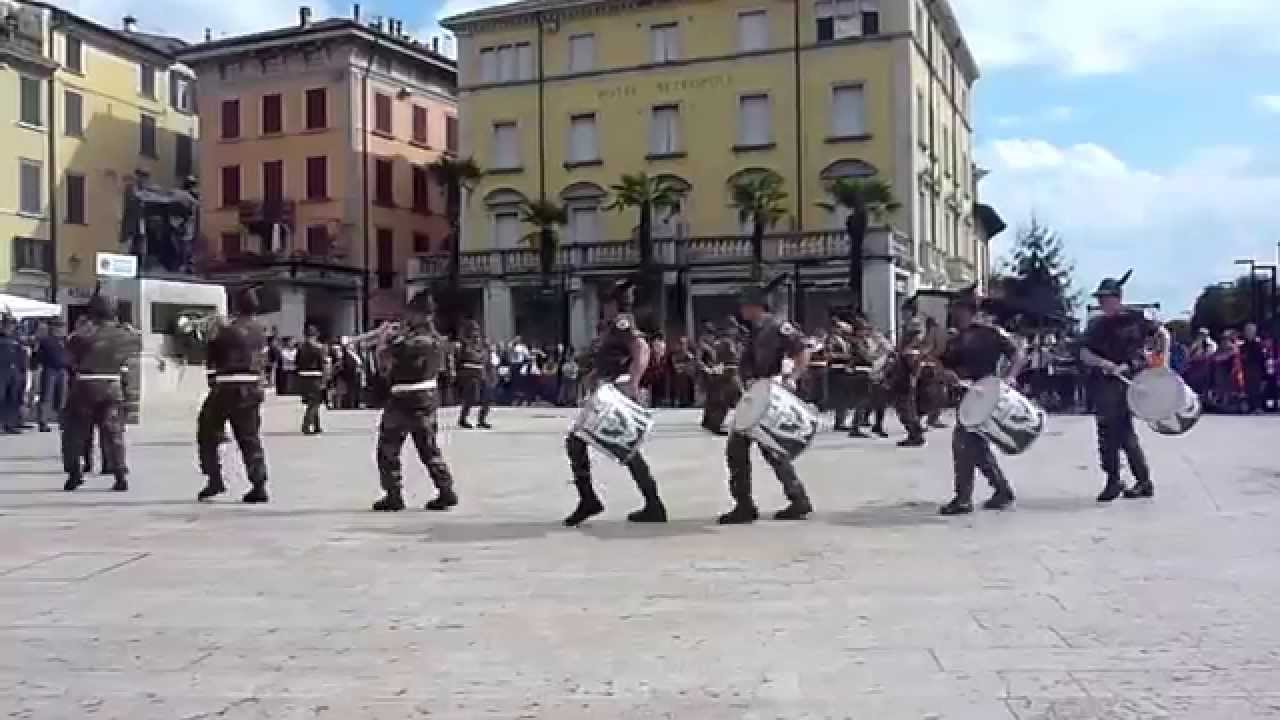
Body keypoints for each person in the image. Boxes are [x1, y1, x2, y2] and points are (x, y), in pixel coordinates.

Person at [563, 279, 667, 526]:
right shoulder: (609, 327)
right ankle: (650, 503)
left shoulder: (622, 322)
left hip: (615, 393)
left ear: (613, 303)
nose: (603, 307)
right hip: (606, 390)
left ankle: (595, 500)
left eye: (605, 302)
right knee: (618, 448)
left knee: (610, 446)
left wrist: (633, 381)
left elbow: (640, 349)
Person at [718, 279, 813, 524]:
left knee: (756, 449)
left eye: (745, 305)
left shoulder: (778, 327)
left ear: (757, 306)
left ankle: (749, 505)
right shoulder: (753, 330)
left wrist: (792, 378)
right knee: (756, 450)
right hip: (754, 396)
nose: (741, 309)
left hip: (771, 396)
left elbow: (803, 351)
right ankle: (793, 499)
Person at [1079, 271, 1169, 502]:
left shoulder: (1136, 318)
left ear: (1117, 298)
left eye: (1106, 298)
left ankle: (1136, 480)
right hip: (1106, 381)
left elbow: (1162, 335)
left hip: (1131, 379)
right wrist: (1103, 363)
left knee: (1123, 433)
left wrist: (1158, 361)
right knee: (1108, 432)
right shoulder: (1097, 325)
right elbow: (1084, 352)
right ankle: (1120, 479)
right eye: (1100, 299)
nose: (1101, 303)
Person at [936, 287, 1024, 515]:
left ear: (969, 310)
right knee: (975, 446)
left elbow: (1017, 354)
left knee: (964, 443)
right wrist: (946, 374)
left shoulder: (990, 333)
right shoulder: (955, 339)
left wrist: (1010, 377)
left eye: (958, 309)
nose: (954, 314)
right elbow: (943, 365)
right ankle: (1002, 490)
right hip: (965, 398)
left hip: (987, 395)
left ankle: (964, 498)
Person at [371, 291, 457, 512]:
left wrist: (383, 337)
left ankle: (393, 495)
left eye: (410, 313)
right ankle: (446, 490)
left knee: (387, 449)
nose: (406, 317)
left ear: (419, 315)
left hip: (403, 398)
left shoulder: (410, 341)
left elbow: (384, 362)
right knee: (429, 449)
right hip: (427, 398)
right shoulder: (438, 340)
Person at [196, 287, 271, 503]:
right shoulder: (261, 330)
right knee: (250, 438)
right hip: (253, 387)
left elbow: (213, 356)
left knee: (207, 433)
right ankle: (259, 483)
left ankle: (214, 478)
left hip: (227, 387)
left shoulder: (227, 329)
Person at [61, 293, 141, 492]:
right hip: (112, 386)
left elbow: (69, 355)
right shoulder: (126, 335)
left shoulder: (83, 334)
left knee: (74, 432)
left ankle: (74, 472)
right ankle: (120, 473)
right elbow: (134, 349)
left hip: (85, 386)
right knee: (114, 432)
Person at [456, 319, 495, 429]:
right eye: (473, 330)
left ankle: (482, 420)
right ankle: (463, 419)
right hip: (470, 374)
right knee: (471, 398)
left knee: (487, 397)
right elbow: (461, 360)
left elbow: (487, 360)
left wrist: (491, 373)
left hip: (482, 373)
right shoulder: (464, 344)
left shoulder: (483, 344)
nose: (476, 332)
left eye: (477, 330)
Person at [34, 320, 71, 433]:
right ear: (53, 327)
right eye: (58, 326)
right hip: (50, 369)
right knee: (47, 395)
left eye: (62, 326)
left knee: (62, 396)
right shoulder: (46, 340)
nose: (61, 329)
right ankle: (43, 422)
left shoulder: (66, 340)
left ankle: (62, 421)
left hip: (63, 370)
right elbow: (38, 356)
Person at [295, 325, 329, 435]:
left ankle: (317, 425)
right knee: (314, 403)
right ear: (315, 335)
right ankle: (306, 425)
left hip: (303, 377)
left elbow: (297, 363)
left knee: (312, 402)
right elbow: (324, 364)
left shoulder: (300, 348)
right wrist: (325, 379)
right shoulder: (319, 348)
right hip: (315, 377)